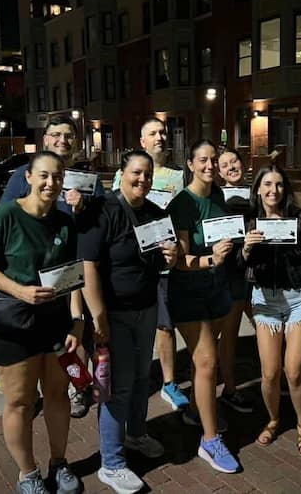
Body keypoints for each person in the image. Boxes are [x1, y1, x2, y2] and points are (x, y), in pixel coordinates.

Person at [0, 151, 83, 494]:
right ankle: (28, 473)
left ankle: (59, 462)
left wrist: (77, 320)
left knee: (57, 395)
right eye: (44, 175)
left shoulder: (65, 221)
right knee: (20, 402)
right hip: (15, 325)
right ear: (29, 178)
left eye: (58, 176)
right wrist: (19, 290)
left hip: (56, 324)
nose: (51, 182)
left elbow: (73, 276)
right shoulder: (6, 215)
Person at [80, 150, 178, 494]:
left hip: (146, 309)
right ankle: (111, 463)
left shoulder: (156, 213)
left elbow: (163, 261)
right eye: (136, 172)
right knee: (117, 388)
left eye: (148, 174)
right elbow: (88, 265)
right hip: (113, 314)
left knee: (140, 378)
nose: (143, 180)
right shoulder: (103, 210)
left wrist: (172, 257)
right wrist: (98, 316)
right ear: (121, 173)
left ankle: (136, 434)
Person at [1, 115, 105, 419]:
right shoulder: (24, 175)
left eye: (68, 135)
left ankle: (77, 387)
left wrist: (82, 208)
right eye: (56, 134)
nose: (63, 140)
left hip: (77, 270)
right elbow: (6, 218)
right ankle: (31, 390)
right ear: (45, 139)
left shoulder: (88, 181)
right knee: (35, 334)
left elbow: (102, 225)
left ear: (76, 142)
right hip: (35, 273)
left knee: (78, 329)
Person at [240, 164, 301, 455]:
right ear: (258, 189)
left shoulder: (299, 221)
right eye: (267, 184)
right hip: (265, 303)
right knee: (269, 373)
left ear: (285, 189)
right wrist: (245, 250)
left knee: (295, 371)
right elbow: (237, 266)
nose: (272, 190)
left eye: (278, 184)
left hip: (297, 301)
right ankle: (274, 420)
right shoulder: (249, 222)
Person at [166, 139, 240, 474]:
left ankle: (197, 410)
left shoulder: (218, 195)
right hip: (189, 292)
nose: (210, 166)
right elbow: (180, 261)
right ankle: (210, 441)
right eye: (203, 161)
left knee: (202, 362)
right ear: (191, 165)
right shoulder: (183, 203)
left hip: (217, 289)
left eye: (214, 160)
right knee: (208, 360)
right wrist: (212, 259)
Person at [112, 118, 189, 412]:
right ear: (142, 141)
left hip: (164, 260)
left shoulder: (178, 176)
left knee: (165, 325)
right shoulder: (125, 174)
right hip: (132, 266)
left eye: (163, 132)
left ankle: (169, 382)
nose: (160, 137)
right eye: (153, 133)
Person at [215, 148, 253, 414]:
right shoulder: (217, 197)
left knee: (269, 327)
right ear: (219, 172)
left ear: (243, 163)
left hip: (259, 269)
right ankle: (229, 388)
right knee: (230, 332)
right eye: (224, 164)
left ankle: (281, 378)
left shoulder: (257, 191)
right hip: (233, 271)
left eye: (234, 161)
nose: (231, 167)